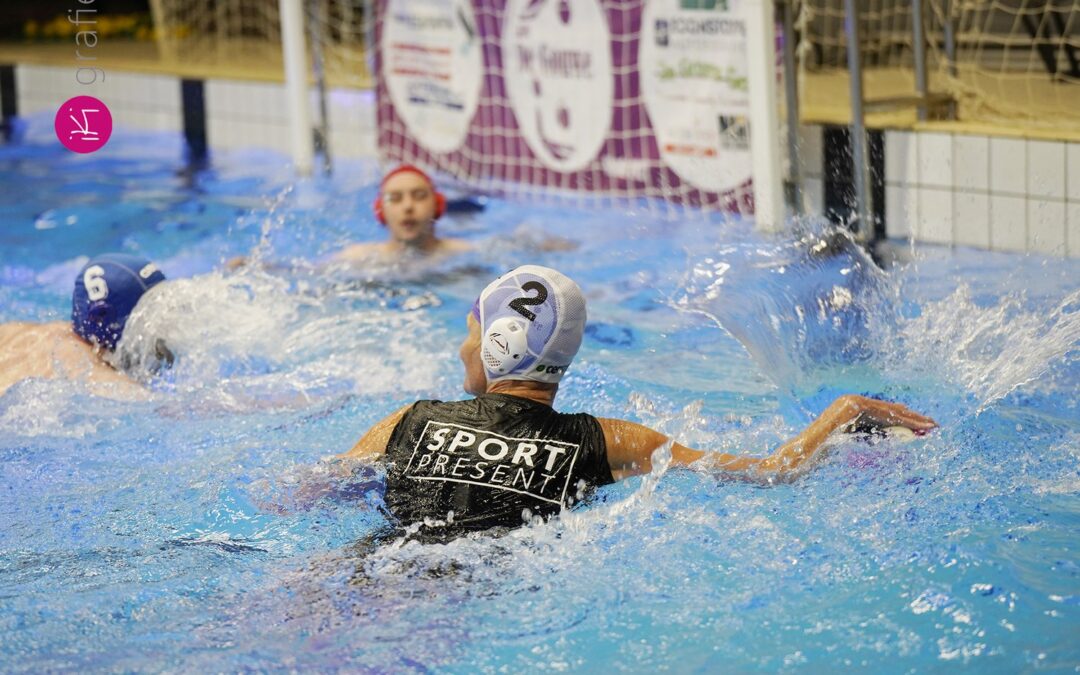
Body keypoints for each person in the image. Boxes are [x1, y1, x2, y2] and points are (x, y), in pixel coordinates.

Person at [339, 265, 937, 542]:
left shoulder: (409, 422)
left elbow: (308, 492)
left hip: (364, 568)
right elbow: (772, 472)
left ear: (499, 345)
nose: (462, 346)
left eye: (472, 332)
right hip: (468, 604)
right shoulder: (606, 441)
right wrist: (841, 412)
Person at [0, 253, 170, 398]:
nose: (161, 324)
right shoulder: (88, 372)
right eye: (151, 313)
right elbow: (150, 405)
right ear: (103, 319)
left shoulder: (15, 331)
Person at [332, 164, 472, 264]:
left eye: (419, 196)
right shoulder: (358, 258)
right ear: (381, 210)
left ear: (437, 205)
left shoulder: (462, 254)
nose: (407, 206)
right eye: (395, 198)